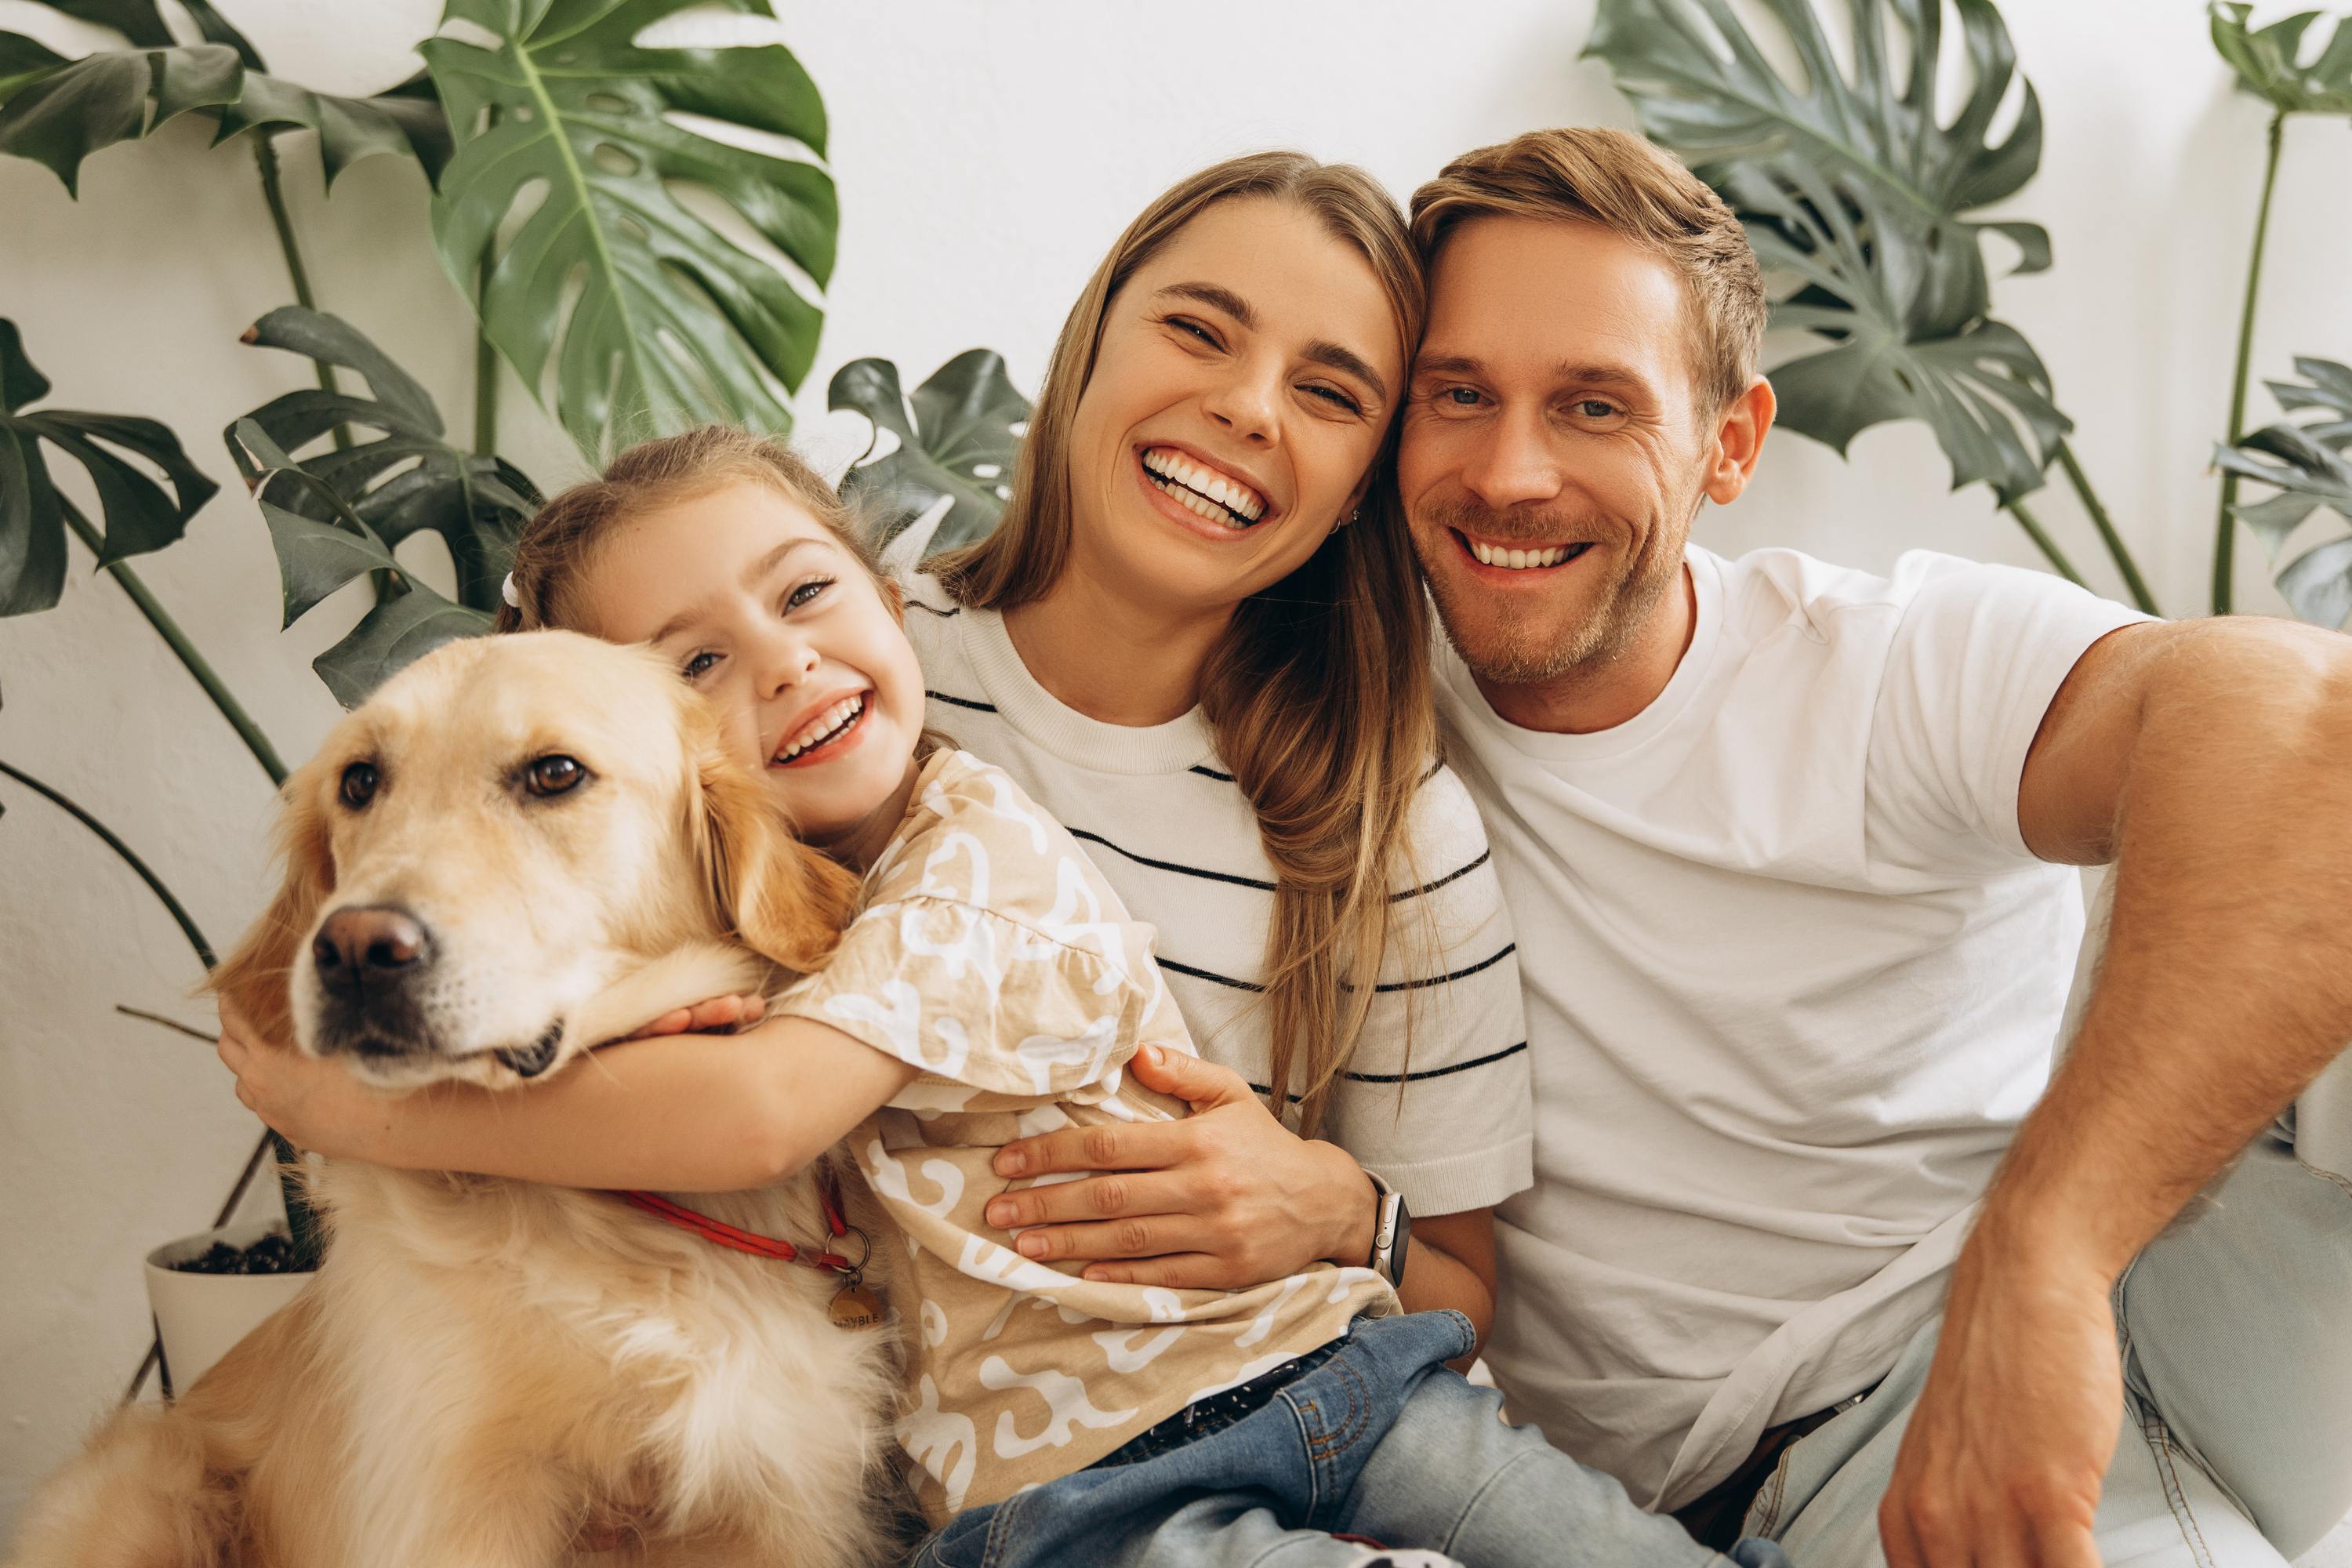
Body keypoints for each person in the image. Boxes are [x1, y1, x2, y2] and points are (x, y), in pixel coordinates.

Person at [219, 425, 1787, 1568]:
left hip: (1298, 1373)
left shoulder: (967, 852)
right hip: (1124, 1477)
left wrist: (326, 1097)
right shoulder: (808, 888)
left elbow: (761, 1108)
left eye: (807, 593)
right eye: (688, 661)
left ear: (895, 601)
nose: (775, 667)